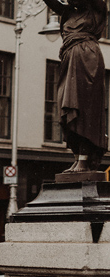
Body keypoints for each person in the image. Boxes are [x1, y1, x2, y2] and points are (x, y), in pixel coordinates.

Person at [43, 0, 107, 172]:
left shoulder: (96, 7)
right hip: (69, 59)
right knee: (68, 108)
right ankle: (78, 157)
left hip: (87, 58)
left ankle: (84, 160)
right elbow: (55, 4)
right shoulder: (70, 12)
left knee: (84, 110)